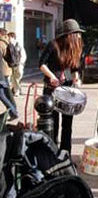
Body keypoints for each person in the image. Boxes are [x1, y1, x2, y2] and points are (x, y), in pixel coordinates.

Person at [39, 19, 84, 154]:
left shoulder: (75, 47)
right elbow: (41, 63)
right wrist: (52, 76)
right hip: (51, 89)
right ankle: (51, 153)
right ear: (69, 35)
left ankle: (65, 153)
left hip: (67, 89)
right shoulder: (53, 45)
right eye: (77, 34)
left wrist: (77, 77)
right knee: (53, 122)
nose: (79, 37)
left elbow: (75, 67)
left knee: (67, 124)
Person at [0, 28, 18, 121]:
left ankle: (13, 111)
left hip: (3, 71)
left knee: (5, 95)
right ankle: (14, 111)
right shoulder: (7, 42)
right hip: (6, 70)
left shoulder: (1, 43)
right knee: (7, 94)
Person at [8, 32, 27, 97]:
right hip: (12, 64)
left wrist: (21, 63)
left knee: (17, 77)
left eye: (10, 37)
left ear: (13, 37)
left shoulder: (18, 45)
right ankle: (16, 91)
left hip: (18, 64)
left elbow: (23, 55)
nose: (9, 39)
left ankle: (16, 89)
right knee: (13, 78)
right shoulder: (8, 45)